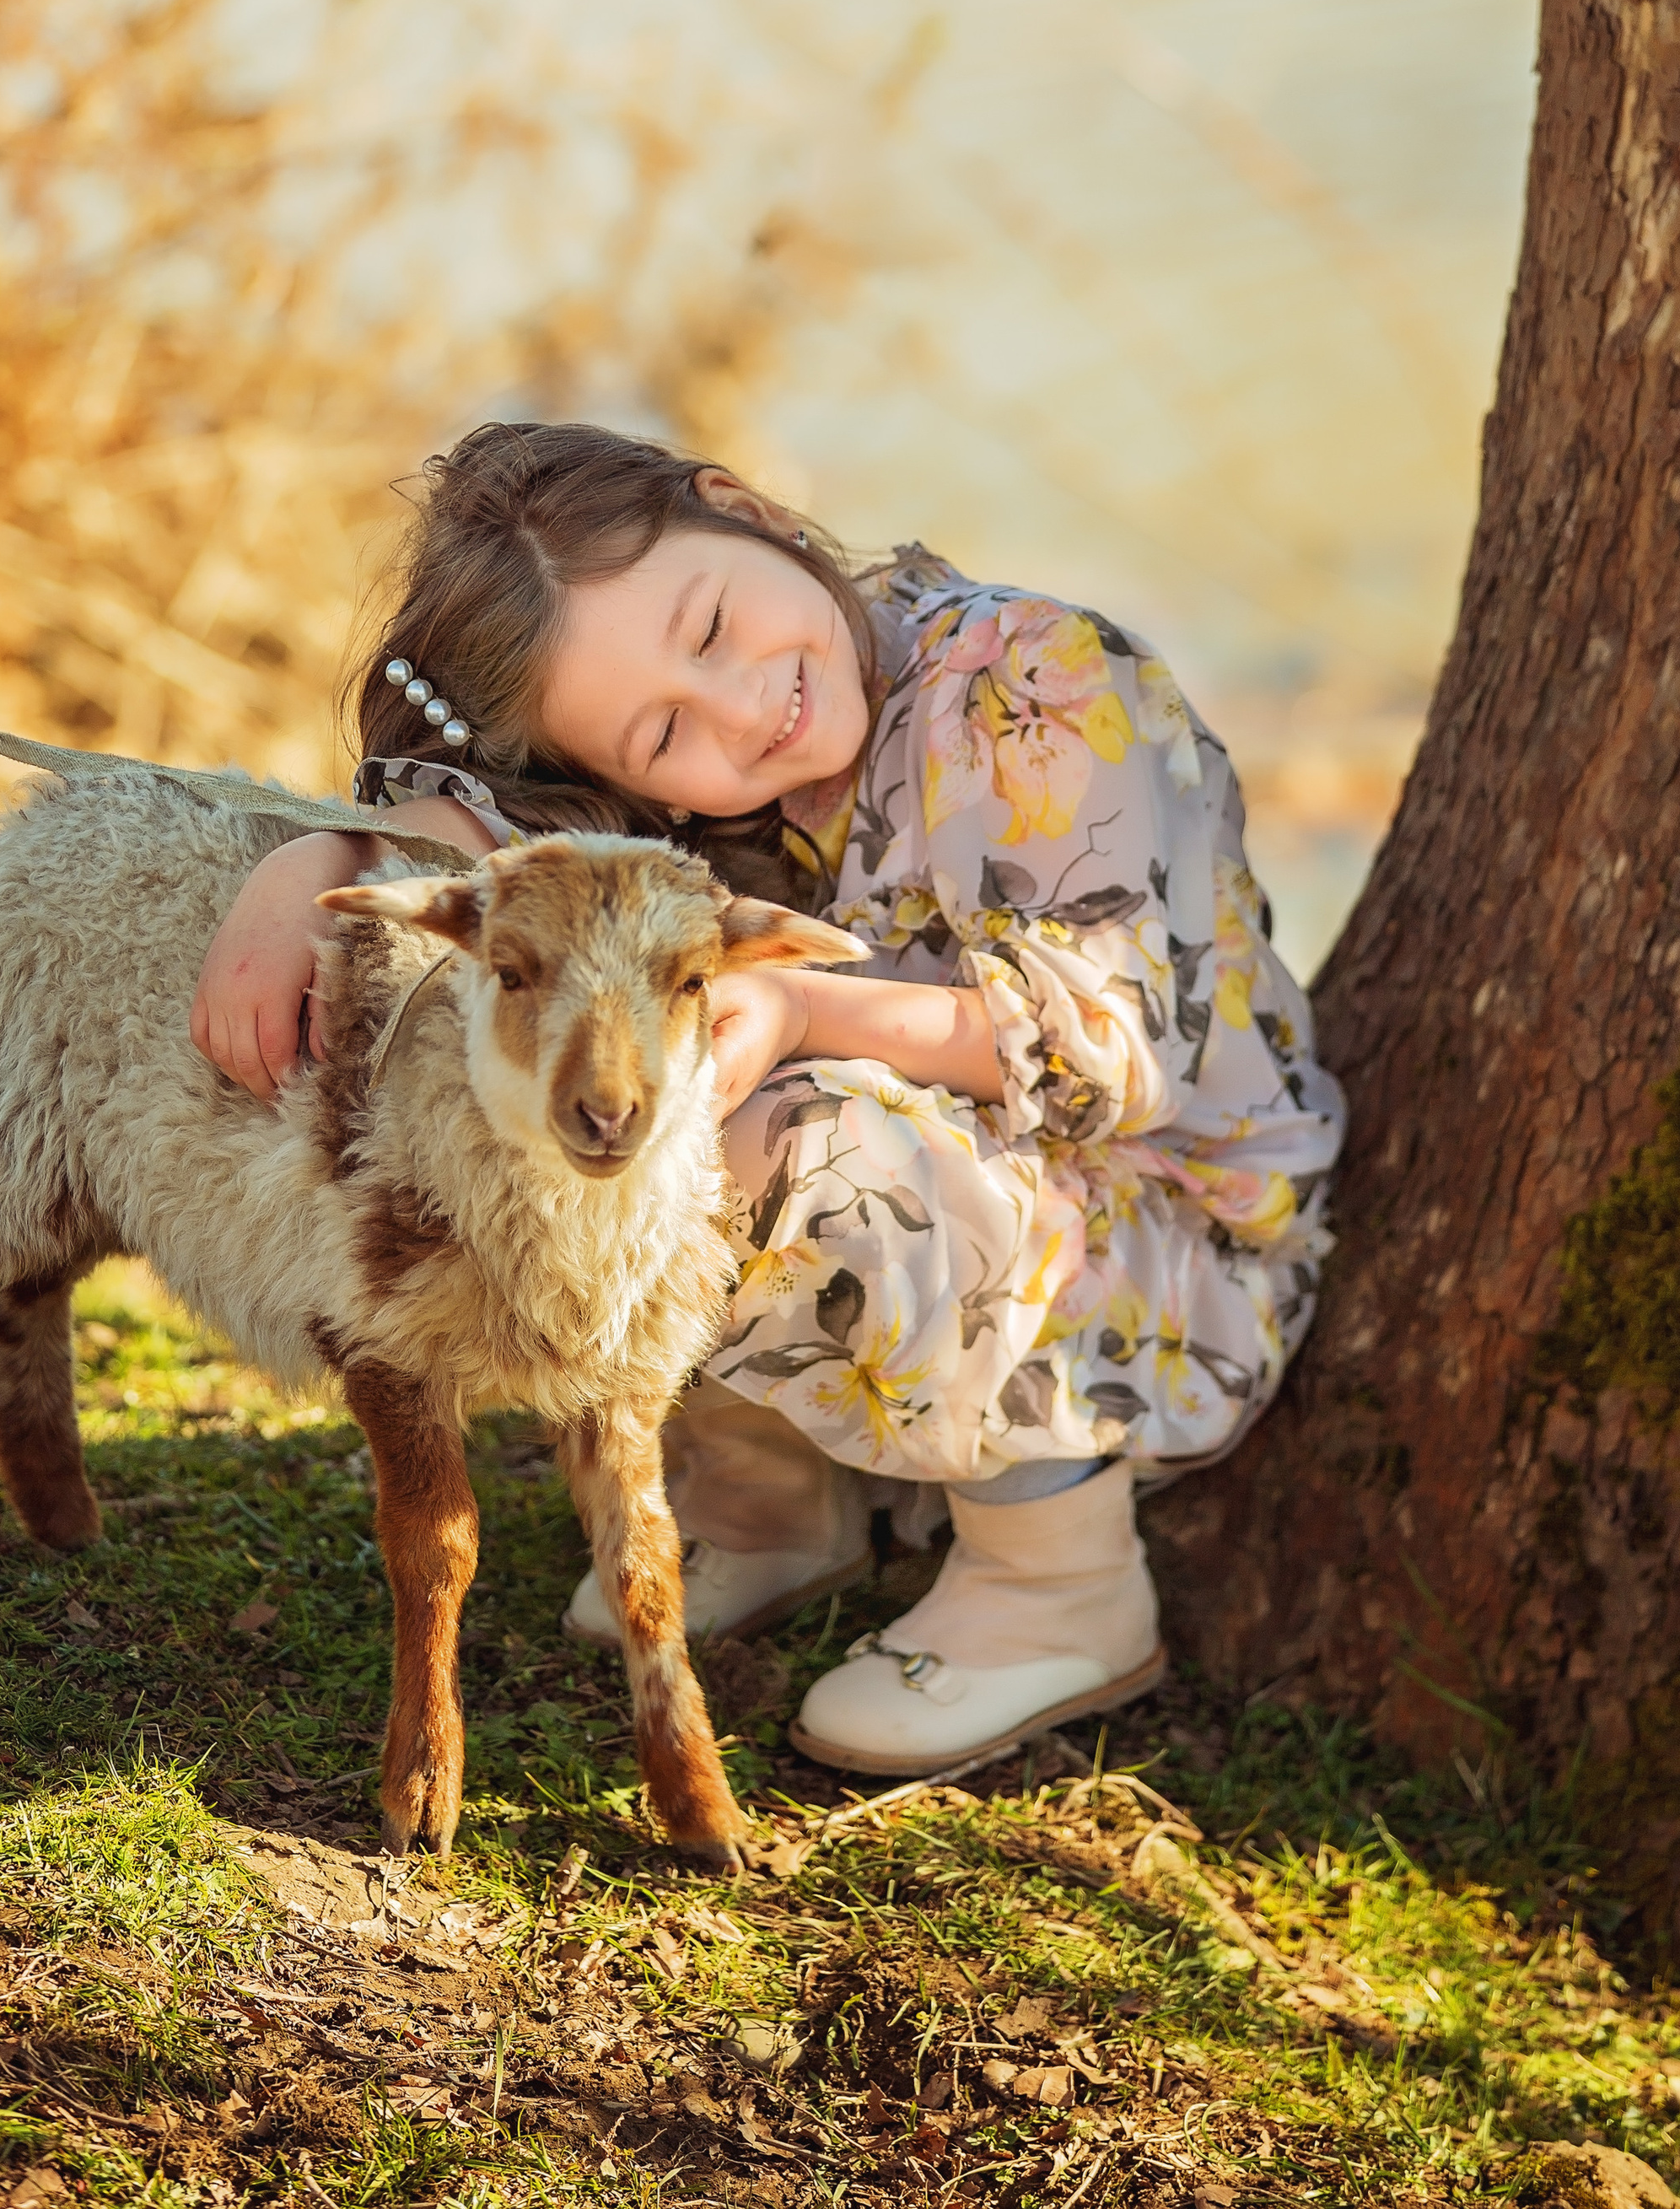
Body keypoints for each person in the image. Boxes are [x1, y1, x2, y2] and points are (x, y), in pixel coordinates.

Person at [191, 421, 1344, 1775]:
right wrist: (306, 867)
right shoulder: (678, 809)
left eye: (717, 625)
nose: (743, 707)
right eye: (666, 729)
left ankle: (1060, 1579)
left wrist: (802, 1004)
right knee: (607, 1123)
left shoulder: (1036, 682)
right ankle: (772, 1501)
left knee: (783, 1128)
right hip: (970, 1210)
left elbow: (1118, 1050)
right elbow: (490, 840)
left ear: (742, 510)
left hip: (1157, 1234)